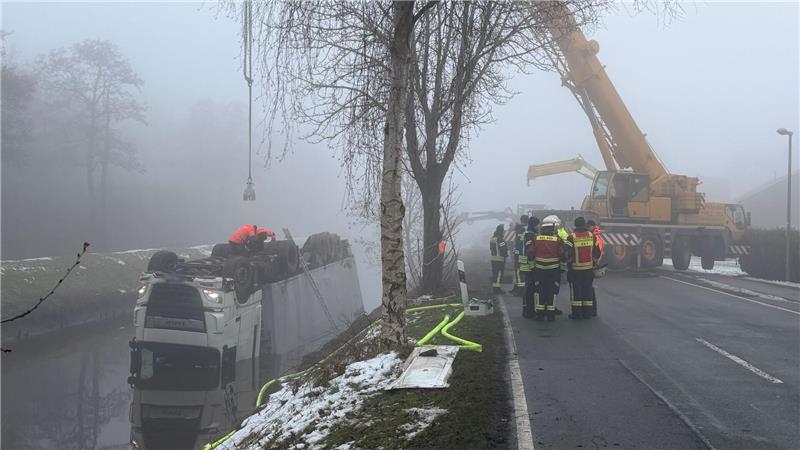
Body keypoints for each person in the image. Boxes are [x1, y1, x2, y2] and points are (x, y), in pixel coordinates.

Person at [527, 215, 565, 321]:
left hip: (539, 270)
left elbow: (530, 254)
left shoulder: (536, 238)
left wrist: (531, 266)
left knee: (539, 291)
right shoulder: (557, 239)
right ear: (551, 229)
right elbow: (562, 255)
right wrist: (564, 264)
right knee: (552, 291)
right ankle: (550, 315)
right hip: (554, 271)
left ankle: (540, 314)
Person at [565, 217, 602, 319]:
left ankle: (577, 313)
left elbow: (567, 255)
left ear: (575, 225)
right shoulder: (591, 236)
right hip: (588, 270)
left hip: (575, 270)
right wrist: (593, 263)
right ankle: (588, 313)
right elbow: (597, 253)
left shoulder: (571, 237)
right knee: (587, 290)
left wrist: (568, 264)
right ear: (584, 224)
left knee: (576, 291)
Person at [522, 216, 539, 318]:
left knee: (530, 289)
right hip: (530, 266)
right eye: (538, 224)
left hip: (529, 265)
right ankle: (528, 311)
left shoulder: (531, 233)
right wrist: (533, 266)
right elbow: (529, 251)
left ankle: (528, 310)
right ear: (534, 224)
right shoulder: (530, 235)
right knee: (530, 289)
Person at [586, 220, 604, 317]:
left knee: (589, 288)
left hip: (592, 264)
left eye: (588, 226)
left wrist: (595, 263)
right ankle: (592, 310)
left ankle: (592, 310)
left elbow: (598, 252)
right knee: (589, 287)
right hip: (593, 263)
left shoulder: (595, 236)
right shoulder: (595, 235)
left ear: (592, 226)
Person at [512, 215, 529, 295]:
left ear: (521, 220)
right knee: (526, 272)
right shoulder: (530, 230)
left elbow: (517, 243)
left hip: (520, 255)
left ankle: (520, 289)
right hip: (528, 255)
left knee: (519, 272)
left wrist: (515, 253)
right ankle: (522, 288)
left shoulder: (519, 230)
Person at [490, 225, 509, 293]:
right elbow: (503, 248)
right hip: (499, 259)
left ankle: (495, 287)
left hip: (493, 258)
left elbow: (491, 248)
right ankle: (497, 289)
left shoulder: (493, 238)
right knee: (499, 274)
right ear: (501, 231)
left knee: (495, 273)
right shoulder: (500, 239)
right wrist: (506, 254)